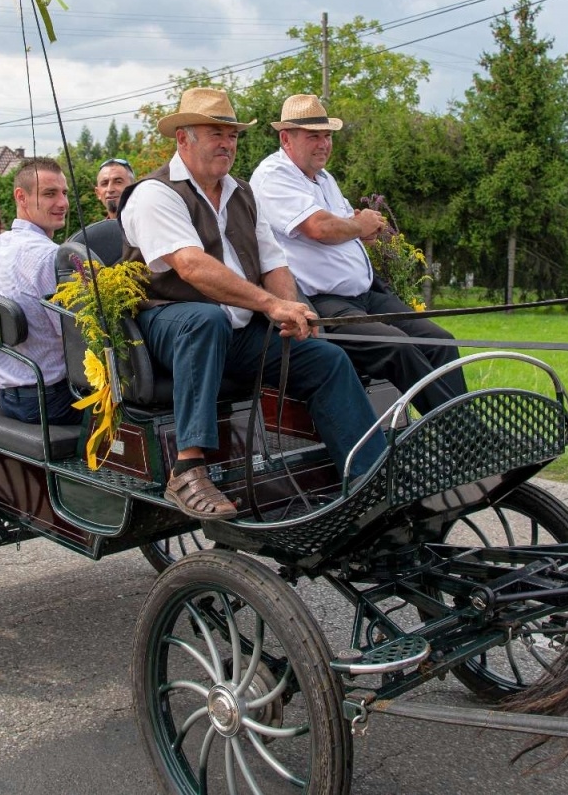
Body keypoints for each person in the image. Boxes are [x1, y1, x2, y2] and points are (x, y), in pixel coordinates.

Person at [119, 88, 385, 521]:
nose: (227, 143)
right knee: (203, 320)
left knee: (326, 359)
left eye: (233, 135)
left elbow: (273, 262)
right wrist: (270, 305)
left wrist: (294, 309)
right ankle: (187, 468)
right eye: (215, 133)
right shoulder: (154, 193)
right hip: (166, 326)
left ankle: (368, 480)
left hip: (235, 329)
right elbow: (191, 267)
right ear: (183, 139)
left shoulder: (242, 192)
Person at [251, 94, 468, 414]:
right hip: (324, 304)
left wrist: (361, 230)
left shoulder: (324, 179)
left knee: (439, 340)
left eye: (327, 136)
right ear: (286, 138)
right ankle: (465, 436)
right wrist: (359, 223)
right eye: (314, 136)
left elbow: (342, 228)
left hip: (365, 295)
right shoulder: (274, 176)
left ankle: (457, 435)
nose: (324, 144)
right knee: (399, 349)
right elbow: (320, 228)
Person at [0, 158, 83, 426]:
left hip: (7, 395)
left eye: (64, 193)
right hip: (53, 401)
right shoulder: (49, 256)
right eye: (50, 194)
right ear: (21, 197)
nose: (63, 203)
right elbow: (77, 336)